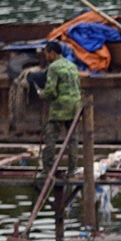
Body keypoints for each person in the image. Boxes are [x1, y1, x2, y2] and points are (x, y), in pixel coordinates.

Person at [34, 40, 81, 184]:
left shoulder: (53, 67)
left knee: (50, 137)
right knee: (72, 140)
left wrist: (41, 94)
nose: (46, 56)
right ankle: (72, 171)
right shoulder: (72, 65)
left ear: (52, 53)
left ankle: (47, 170)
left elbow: (51, 91)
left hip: (60, 107)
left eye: (47, 54)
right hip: (75, 106)